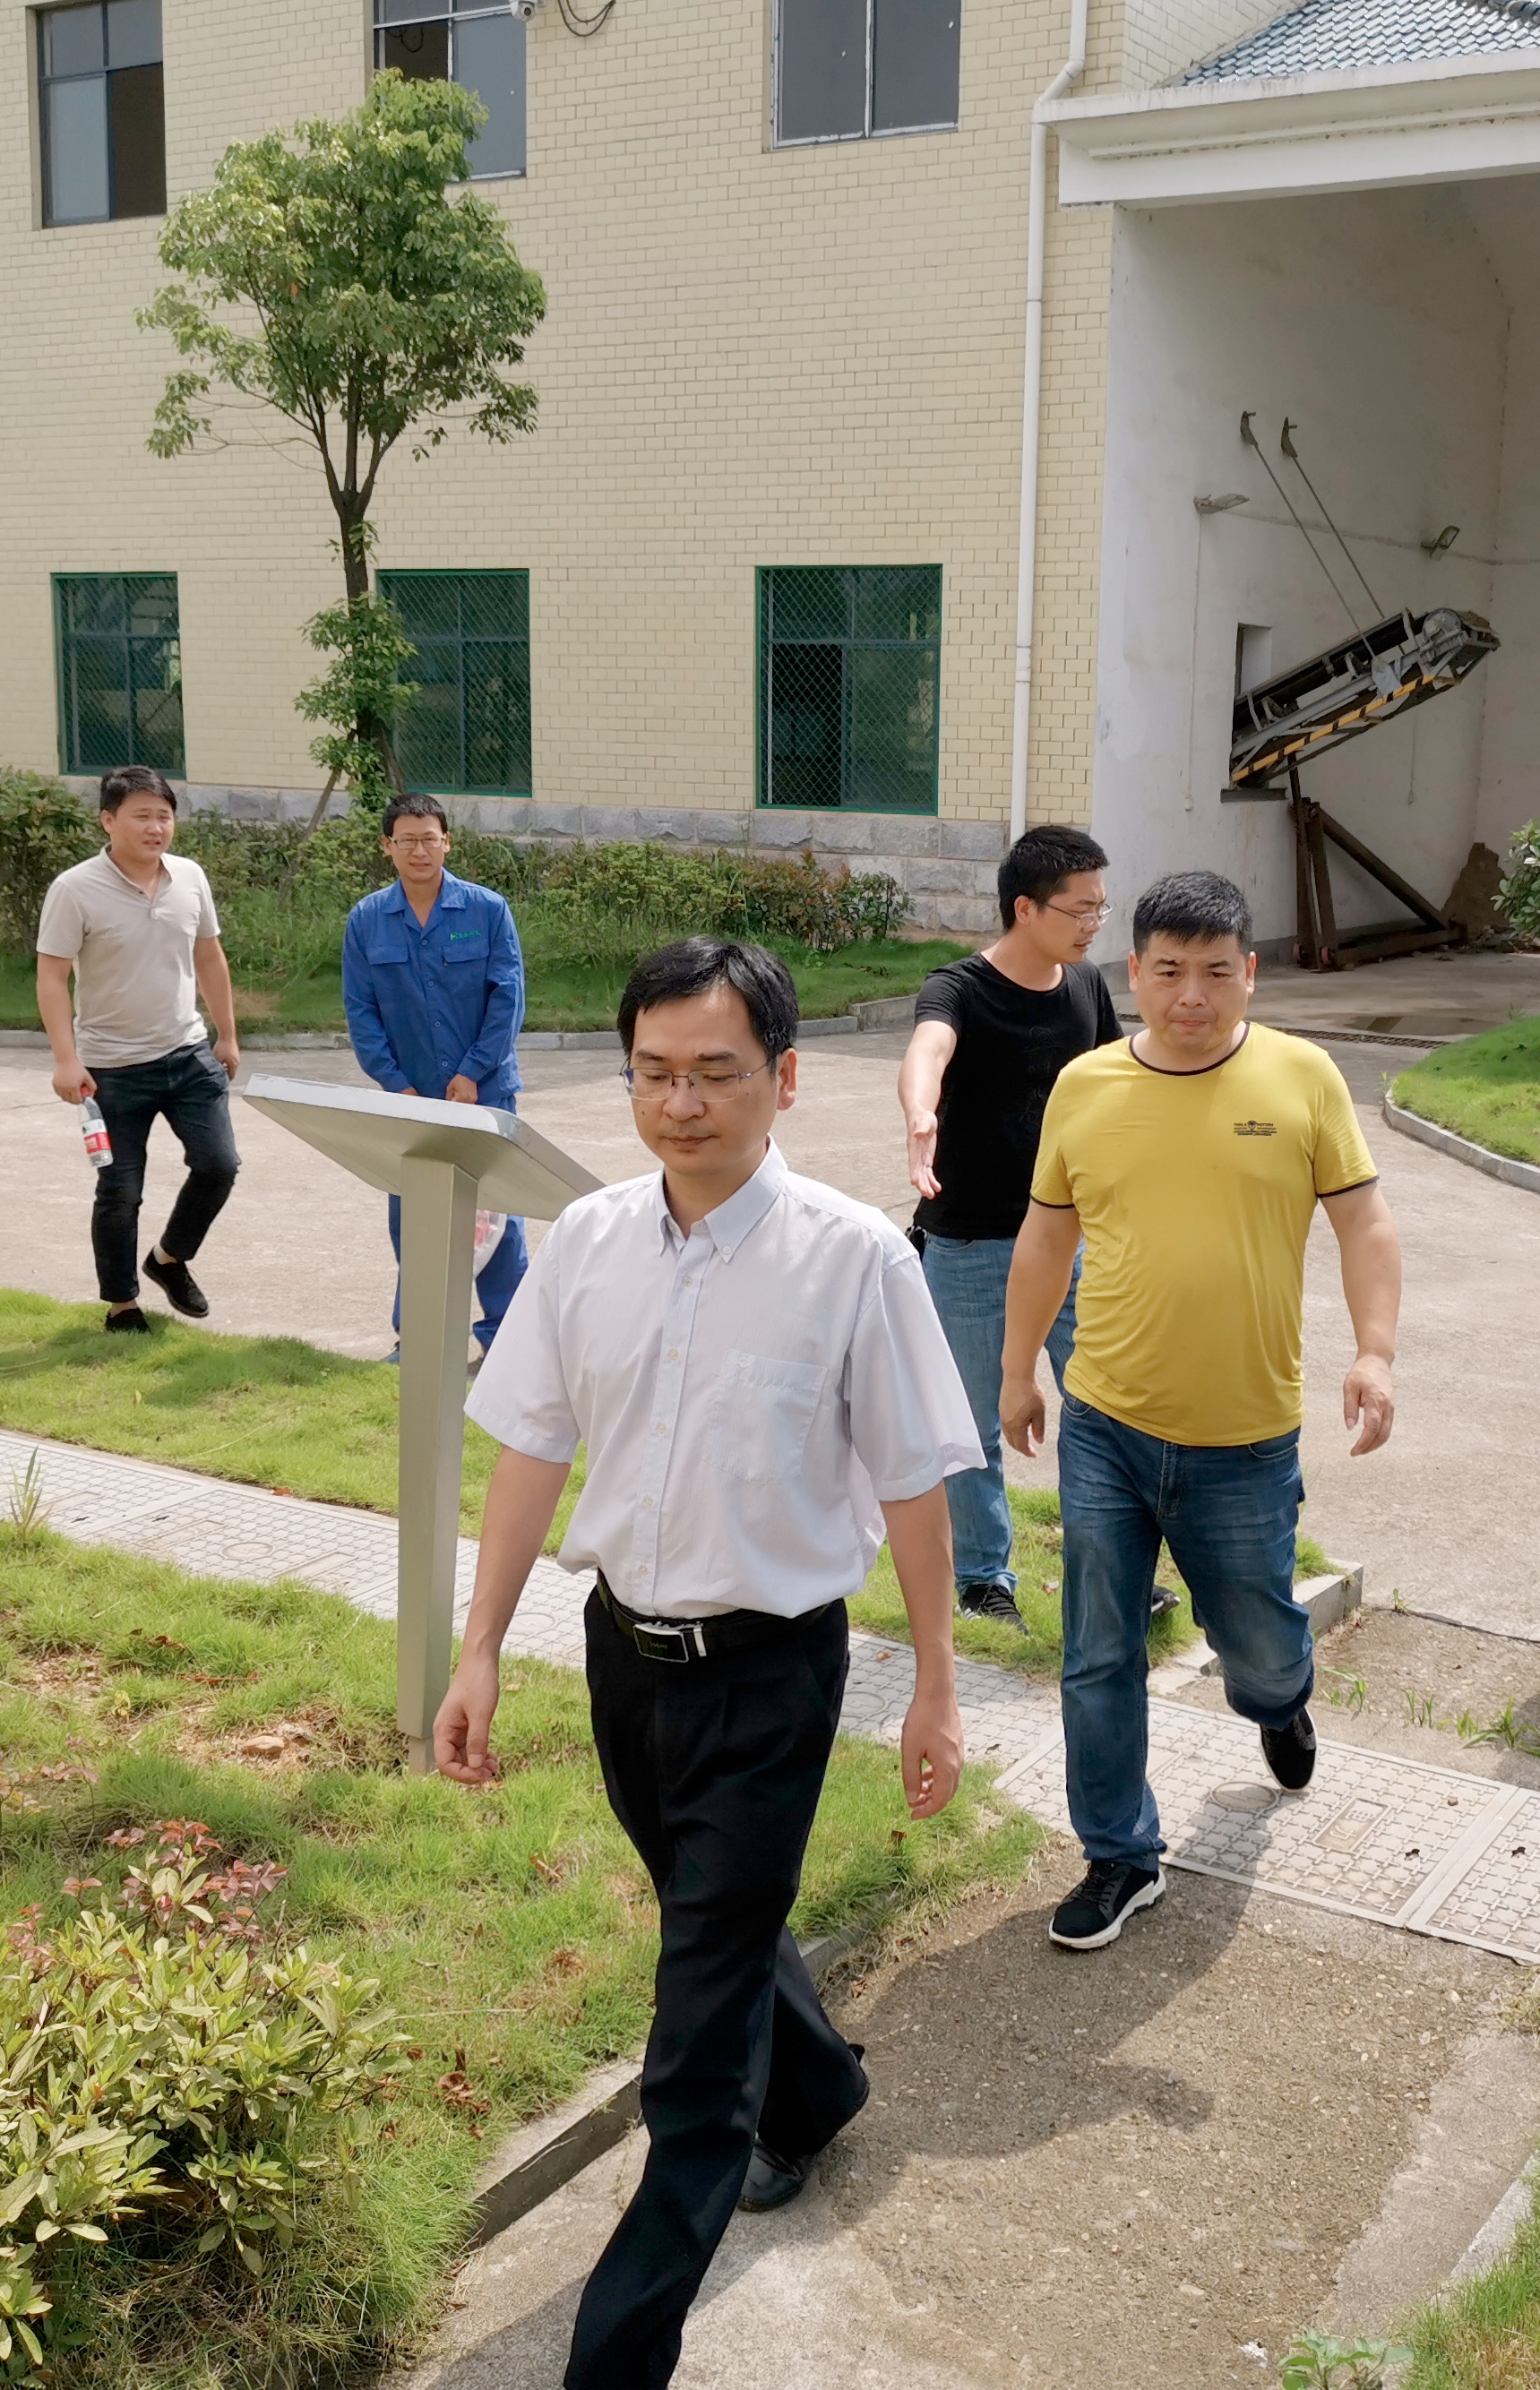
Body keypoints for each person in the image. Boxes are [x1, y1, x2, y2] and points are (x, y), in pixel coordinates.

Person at [435, 936, 981, 2390]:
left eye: (715, 1073)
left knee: (692, 2043)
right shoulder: (587, 1240)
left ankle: (615, 2355)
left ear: (783, 1079)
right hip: (624, 1659)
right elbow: (531, 1448)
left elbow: (913, 1483)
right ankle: (819, 2086)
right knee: (711, 1911)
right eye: (653, 1073)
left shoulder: (852, 1260)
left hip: (770, 1673)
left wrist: (934, 1684)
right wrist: (477, 1648)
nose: (680, 1103)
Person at [1001, 870, 1401, 1954]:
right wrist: (1018, 1369)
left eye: (1216, 972)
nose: (1191, 995)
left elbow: (1364, 1225)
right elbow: (1047, 1237)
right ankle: (1121, 1855)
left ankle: (1279, 1700)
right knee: (1098, 1651)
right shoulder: (1085, 1086)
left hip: (1244, 1438)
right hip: (1106, 1425)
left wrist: (1373, 1352)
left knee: (1257, 1647)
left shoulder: (1303, 1077)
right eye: (1168, 971)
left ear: (1249, 974)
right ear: (1132, 972)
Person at [899, 825, 1122, 1632]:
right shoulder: (958, 987)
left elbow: (1121, 1081)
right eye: (1079, 908)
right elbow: (927, 1049)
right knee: (970, 1423)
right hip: (969, 1246)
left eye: (1100, 907)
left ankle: (1114, 1572)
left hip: (1070, 1243)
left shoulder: (1086, 987)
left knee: (1104, 1412)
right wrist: (920, 1111)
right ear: (1025, 909)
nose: (1093, 923)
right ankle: (981, 1579)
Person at [35, 765, 242, 1332]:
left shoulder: (190, 877)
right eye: (142, 816)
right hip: (110, 1068)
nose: (156, 828)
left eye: (164, 816)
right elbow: (52, 977)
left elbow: (209, 957)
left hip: (188, 1053)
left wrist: (226, 1033)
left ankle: (169, 1259)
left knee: (219, 1165)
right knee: (120, 1190)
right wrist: (65, 1059)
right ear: (108, 820)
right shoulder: (74, 889)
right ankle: (122, 1305)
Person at [341, 794, 528, 1365]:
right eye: (407, 840)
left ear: (447, 842)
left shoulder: (486, 910)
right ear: (388, 847)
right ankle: (421, 1340)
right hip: (411, 1096)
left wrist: (473, 1072)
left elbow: (508, 999)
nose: (419, 850)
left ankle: (508, 1342)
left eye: (429, 839)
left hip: (485, 1093)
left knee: (495, 1218)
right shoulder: (367, 920)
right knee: (415, 1215)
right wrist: (396, 1085)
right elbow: (362, 1013)